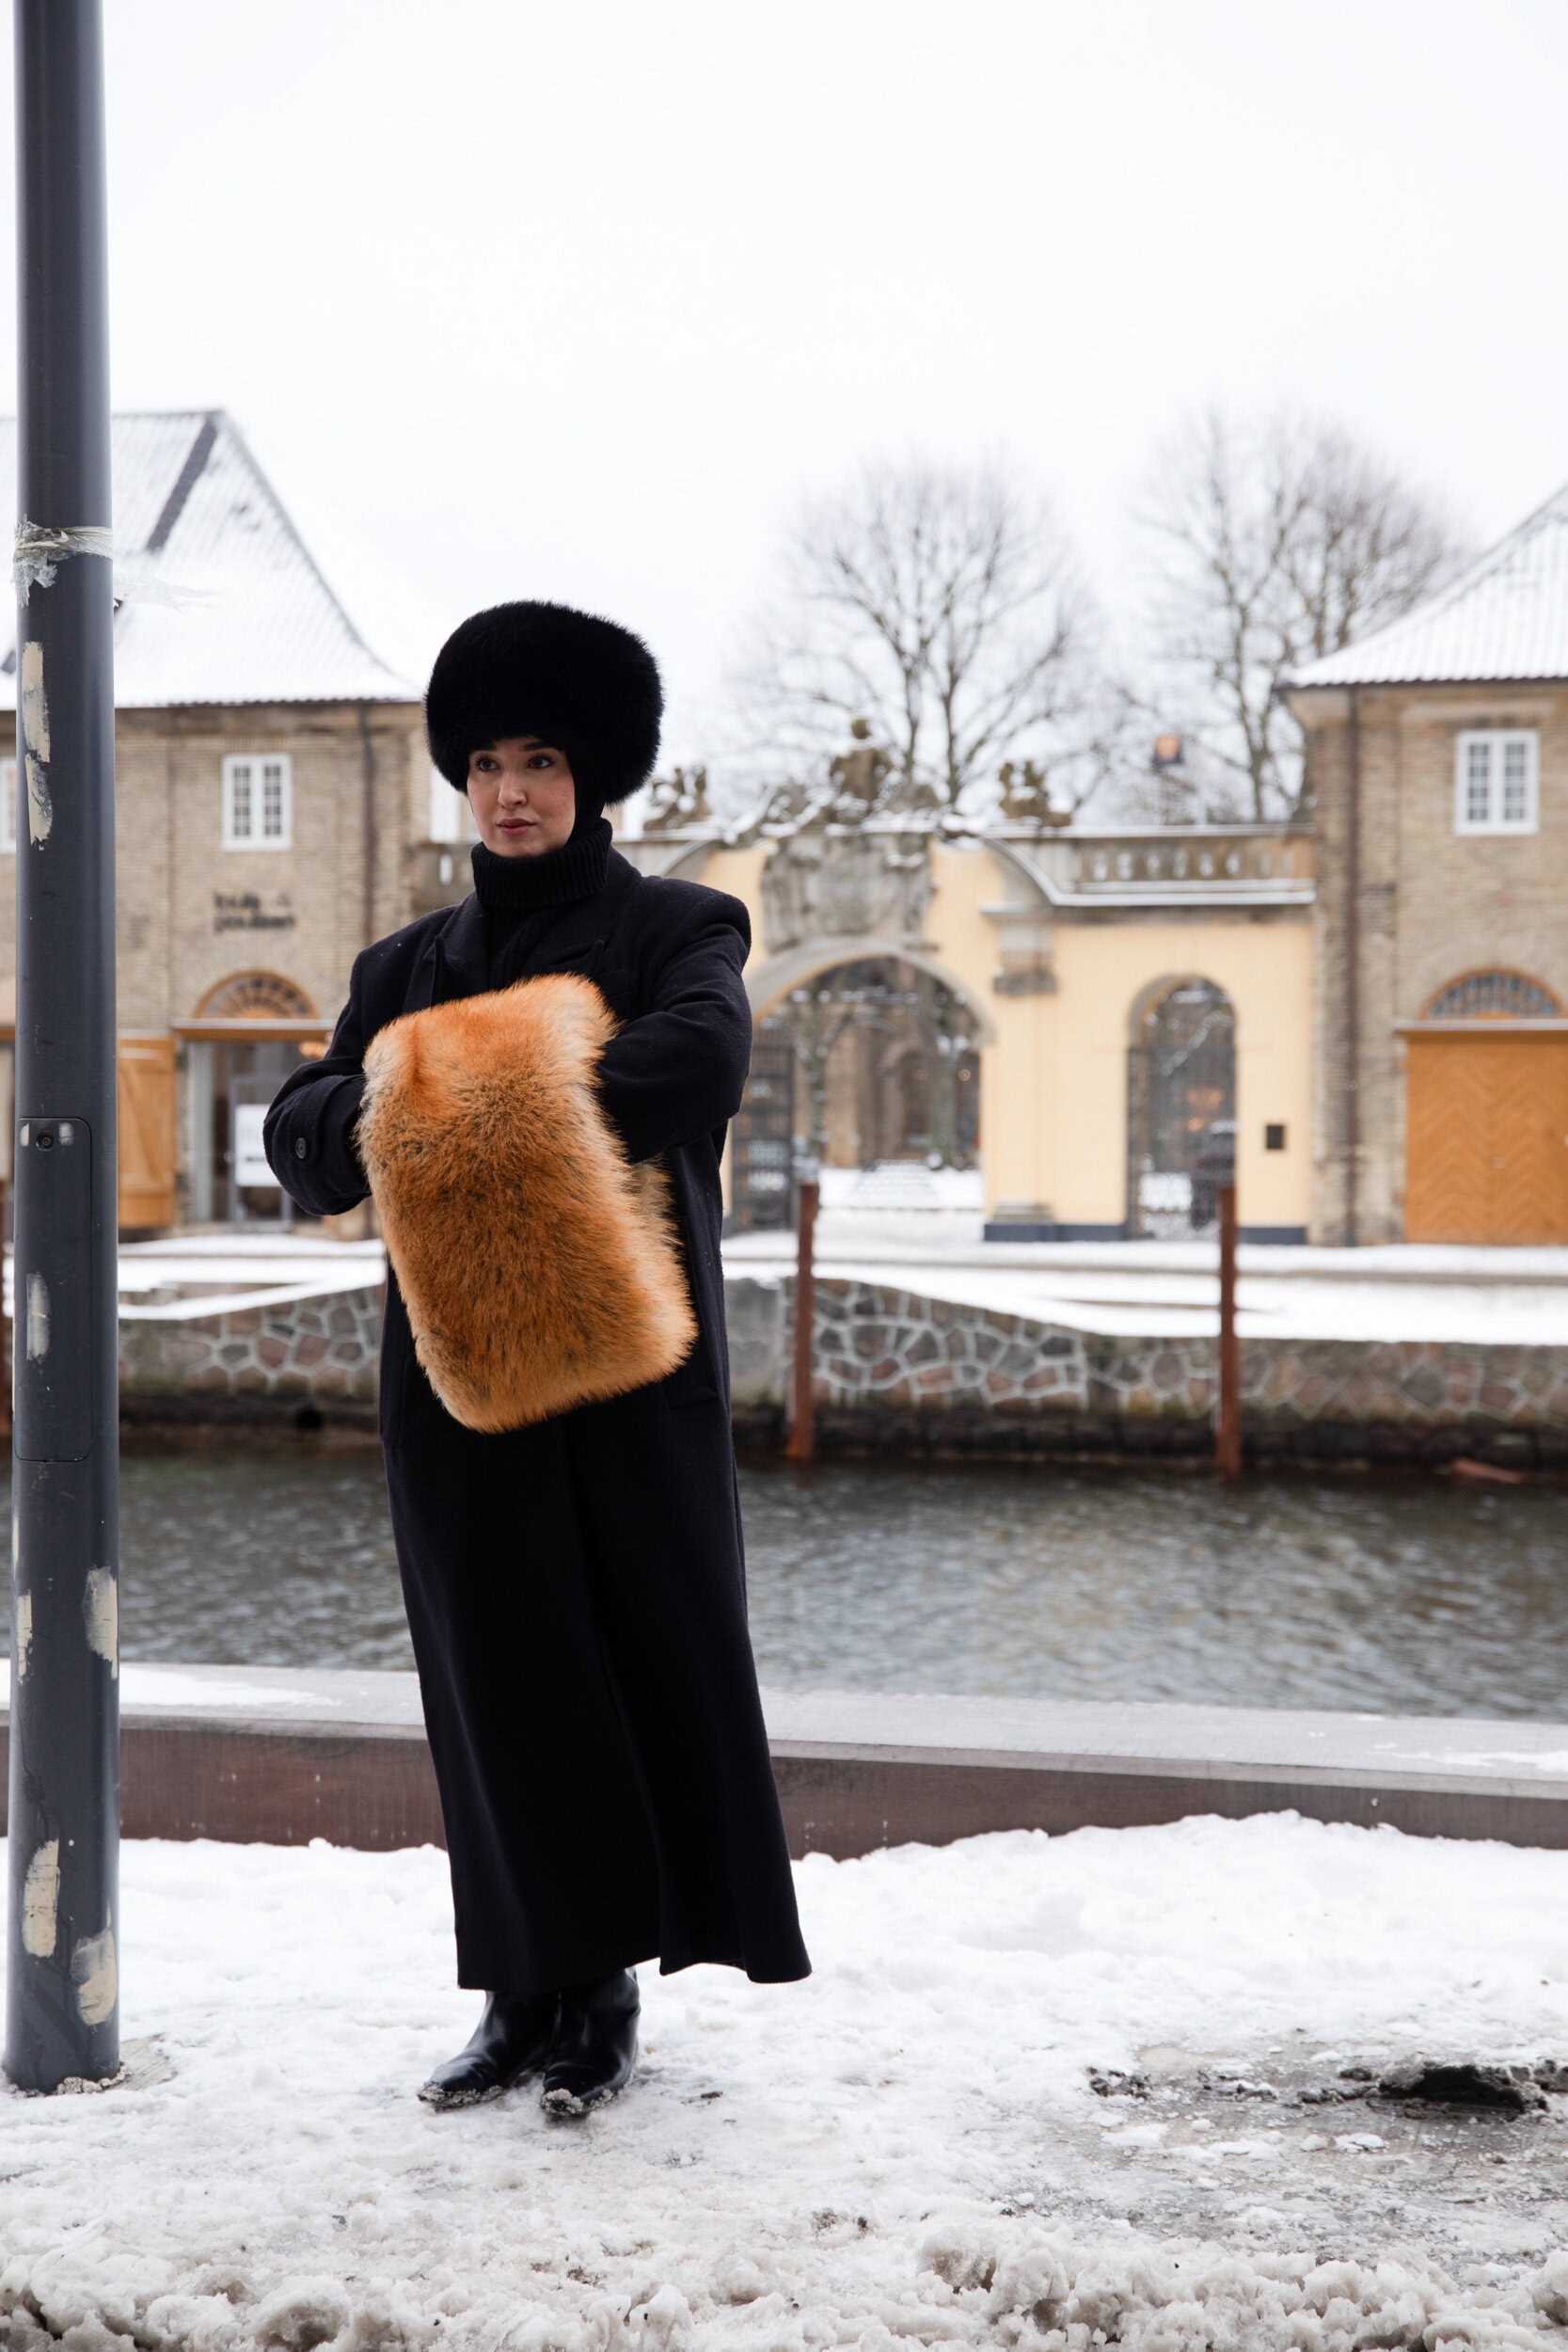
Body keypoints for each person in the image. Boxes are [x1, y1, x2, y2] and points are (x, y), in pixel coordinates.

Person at [264, 602, 810, 2118]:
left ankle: (606, 1995)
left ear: (595, 774)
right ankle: (522, 1990)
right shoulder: (402, 965)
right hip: (457, 1392)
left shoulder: (677, 928)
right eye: (489, 763)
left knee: (635, 1666)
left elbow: (696, 1062)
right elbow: (304, 1140)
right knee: (495, 1684)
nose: (511, 791)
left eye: (543, 761)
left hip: (632, 1382)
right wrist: (397, 1105)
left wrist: (456, 1094)